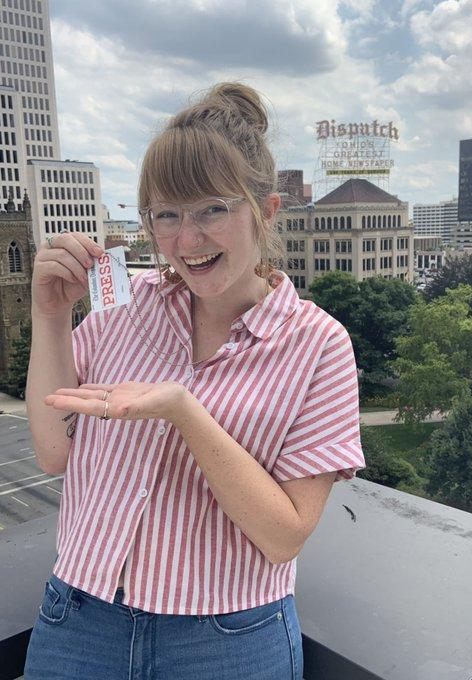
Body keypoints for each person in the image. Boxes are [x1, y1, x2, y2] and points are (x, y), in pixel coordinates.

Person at [24, 82, 366, 680]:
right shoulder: (125, 311)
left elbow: (285, 535)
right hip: (79, 618)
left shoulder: (319, 345)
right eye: (167, 214)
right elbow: (56, 452)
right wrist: (50, 316)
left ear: (265, 210)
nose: (187, 240)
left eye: (213, 209)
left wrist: (184, 411)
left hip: (227, 637)